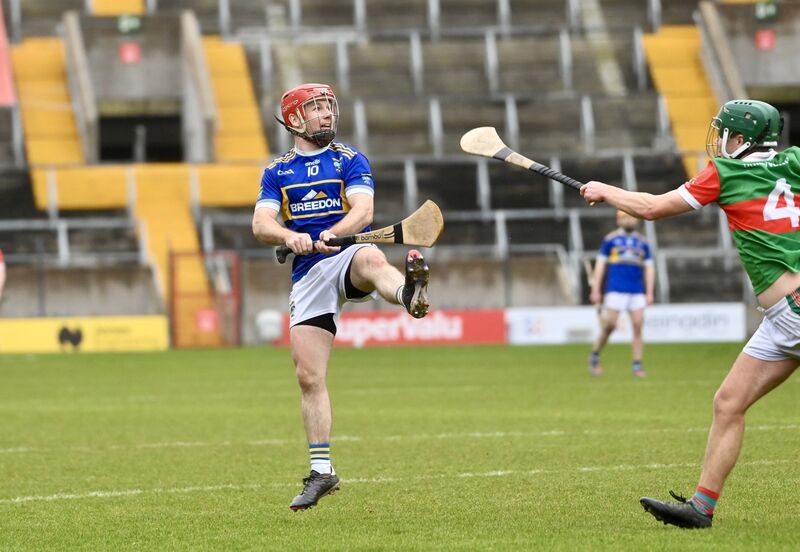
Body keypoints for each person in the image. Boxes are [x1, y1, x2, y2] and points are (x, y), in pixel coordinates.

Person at [581, 99, 800, 528]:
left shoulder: (726, 173)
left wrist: (605, 191)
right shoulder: (794, 160)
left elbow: (651, 208)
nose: (719, 141)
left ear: (740, 140)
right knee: (728, 402)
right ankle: (701, 509)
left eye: (725, 134)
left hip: (794, 312)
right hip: (782, 318)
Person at [251, 83, 432, 511]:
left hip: (346, 251)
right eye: (316, 109)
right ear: (294, 119)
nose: (326, 115)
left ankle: (408, 293)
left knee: (370, 258)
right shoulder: (277, 171)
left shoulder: (349, 159)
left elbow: (364, 211)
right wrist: (290, 236)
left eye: (329, 107)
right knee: (308, 377)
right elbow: (261, 224)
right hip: (308, 274)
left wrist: (337, 232)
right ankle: (323, 473)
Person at [588, 210, 655, 377]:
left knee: (638, 325)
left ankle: (637, 365)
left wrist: (649, 291)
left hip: (636, 290)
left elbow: (649, 268)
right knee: (610, 326)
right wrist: (596, 289)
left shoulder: (643, 243)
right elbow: (600, 265)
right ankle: (595, 355)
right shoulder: (610, 240)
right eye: (626, 217)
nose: (630, 220)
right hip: (615, 289)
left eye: (632, 217)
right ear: (619, 220)